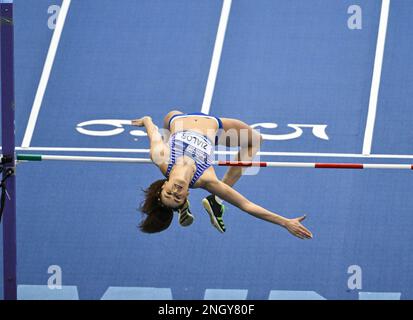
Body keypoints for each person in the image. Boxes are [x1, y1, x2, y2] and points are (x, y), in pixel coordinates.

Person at [132, 111, 312, 239]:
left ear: (164, 186)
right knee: (256, 140)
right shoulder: (206, 179)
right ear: (186, 195)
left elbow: (153, 131)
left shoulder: (160, 157)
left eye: (169, 193)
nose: (175, 191)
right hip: (213, 127)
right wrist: (285, 222)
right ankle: (216, 200)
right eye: (178, 197)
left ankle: (212, 201)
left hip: (177, 119)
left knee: (170, 117)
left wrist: (146, 120)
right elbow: (247, 205)